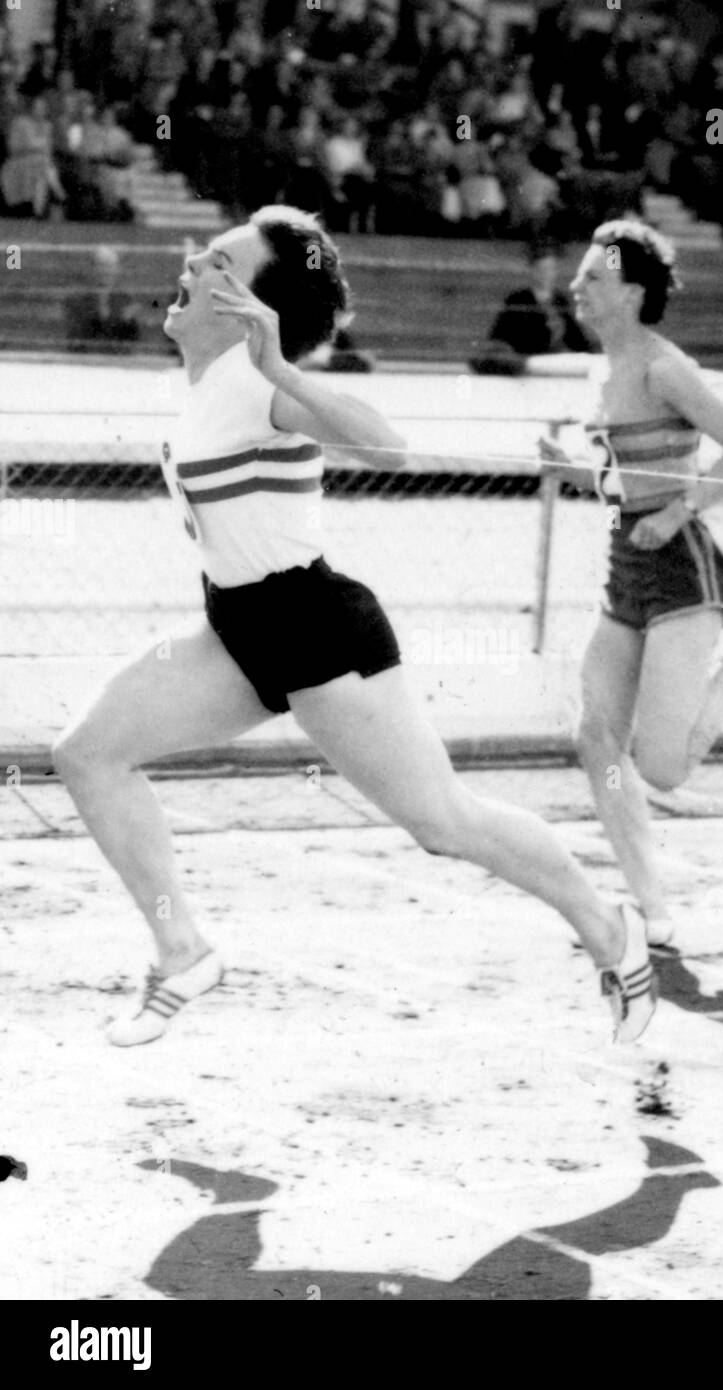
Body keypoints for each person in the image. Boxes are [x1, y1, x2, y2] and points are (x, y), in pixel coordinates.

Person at [52, 206, 655, 1048]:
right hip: (237, 629)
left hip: (319, 633)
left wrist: (282, 368)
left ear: (247, 305)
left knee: (445, 824)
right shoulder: (205, 387)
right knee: (87, 753)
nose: (190, 265)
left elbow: (390, 447)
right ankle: (182, 949)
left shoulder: (263, 385)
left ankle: (607, 925)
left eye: (215, 262)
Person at [538, 220, 723, 947]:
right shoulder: (597, 370)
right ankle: (652, 910)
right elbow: (617, 480)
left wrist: (677, 512)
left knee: (662, 768)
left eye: (593, 278)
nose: (577, 287)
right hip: (625, 565)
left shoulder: (665, 368)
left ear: (632, 293)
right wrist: (566, 468)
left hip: (683, 569)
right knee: (596, 736)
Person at [470, 241, 591, 376]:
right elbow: (501, 336)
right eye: (542, 269)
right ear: (533, 271)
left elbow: (575, 336)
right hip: (529, 360)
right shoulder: (518, 299)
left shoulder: (559, 300)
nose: (547, 274)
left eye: (551, 269)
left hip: (555, 359)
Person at [65, 246, 140, 352]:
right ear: (93, 269)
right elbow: (78, 338)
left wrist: (126, 321)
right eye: (102, 266)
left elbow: (132, 341)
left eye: (110, 266)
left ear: (117, 270)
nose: (106, 271)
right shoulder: (78, 299)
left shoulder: (126, 300)